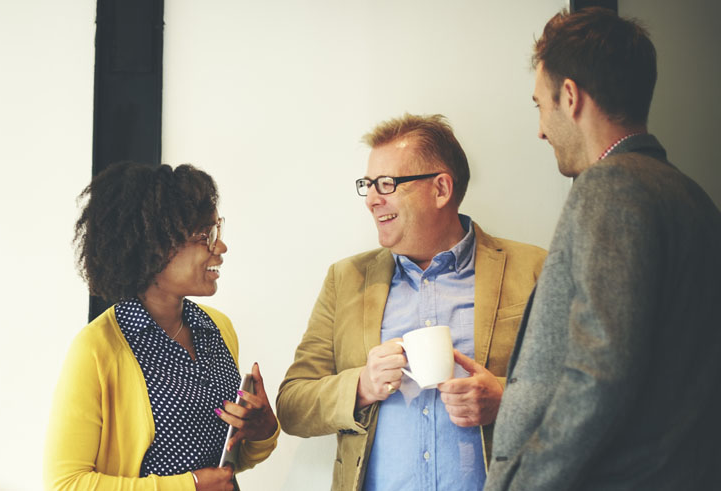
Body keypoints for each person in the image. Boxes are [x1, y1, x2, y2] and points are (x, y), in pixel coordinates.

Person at [485, 8, 721, 490]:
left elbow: (599, 370)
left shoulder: (609, 187)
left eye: (540, 106)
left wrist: (525, 482)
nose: (540, 130)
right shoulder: (695, 199)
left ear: (569, 96)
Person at [277, 114, 546, 490]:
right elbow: (292, 406)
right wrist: (362, 386)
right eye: (368, 185)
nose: (372, 200)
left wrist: (506, 398)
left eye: (387, 184)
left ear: (440, 189)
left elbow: (580, 390)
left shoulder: (534, 269)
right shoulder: (346, 279)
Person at [44, 162, 279, 491]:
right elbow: (66, 484)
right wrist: (189, 486)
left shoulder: (218, 329)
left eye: (217, 231)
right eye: (205, 236)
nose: (220, 247)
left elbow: (224, 461)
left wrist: (262, 431)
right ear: (154, 248)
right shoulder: (97, 349)